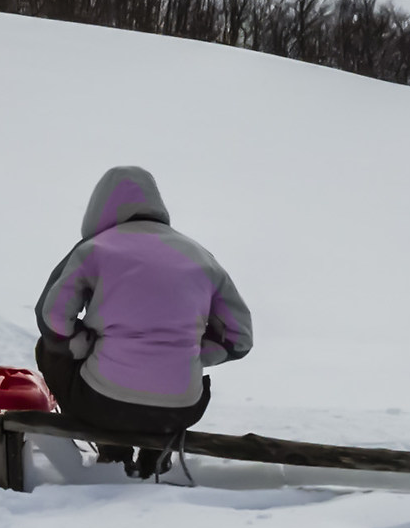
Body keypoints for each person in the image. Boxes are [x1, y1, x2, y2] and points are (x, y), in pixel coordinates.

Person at [33, 165, 253, 478]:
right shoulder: (202, 257)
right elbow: (239, 339)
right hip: (182, 408)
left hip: (103, 403)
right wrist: (192, 352)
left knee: (48, 349)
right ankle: (157, 452)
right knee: (175, 377)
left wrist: (82, 344)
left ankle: (113, 453)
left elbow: (52, 319)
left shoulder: (95, 249)